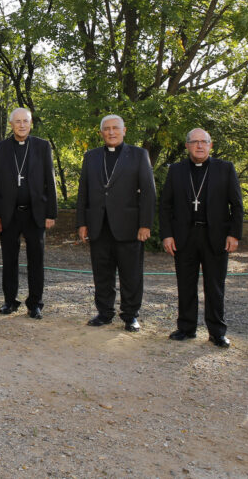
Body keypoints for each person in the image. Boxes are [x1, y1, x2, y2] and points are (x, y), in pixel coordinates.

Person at [159, 128, 243, 347]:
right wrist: (167, 235)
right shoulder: (176, 170)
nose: (199, 146)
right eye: (194, 142)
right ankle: (186, 328)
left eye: (203, 142)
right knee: (185, 284)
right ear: (187, 146)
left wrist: (234, 234)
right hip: (184, 236)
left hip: (215, 236)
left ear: (210, 145)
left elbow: (237, 205)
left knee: (215, 286)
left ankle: (217, 332)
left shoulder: (225, 168)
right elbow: (165, 205)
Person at [76, 114, 155, 331]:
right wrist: (82, 223)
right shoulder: (91, 156)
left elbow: (148, 192)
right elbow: (84, 191)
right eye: (107, 129)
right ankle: (104, 312)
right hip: (98, 225)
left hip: (129, 227)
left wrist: (145, 224)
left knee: (131, 275)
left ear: (124, 130)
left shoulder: (139, 155)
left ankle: (130, 316)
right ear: (101, 133)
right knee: (102, 273)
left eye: (115, 128)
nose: (111, 132)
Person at [0, 108, 57, 319]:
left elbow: (50, 181)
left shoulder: (42, 146)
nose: (21, 125)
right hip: (9, 213)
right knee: (9, 259)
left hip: (35, 213)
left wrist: (51, 213)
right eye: (17, 121)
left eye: (25, 121)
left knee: (36, 260)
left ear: (31, 123)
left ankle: (35, 303)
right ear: (11, 124)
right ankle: (10, 301)